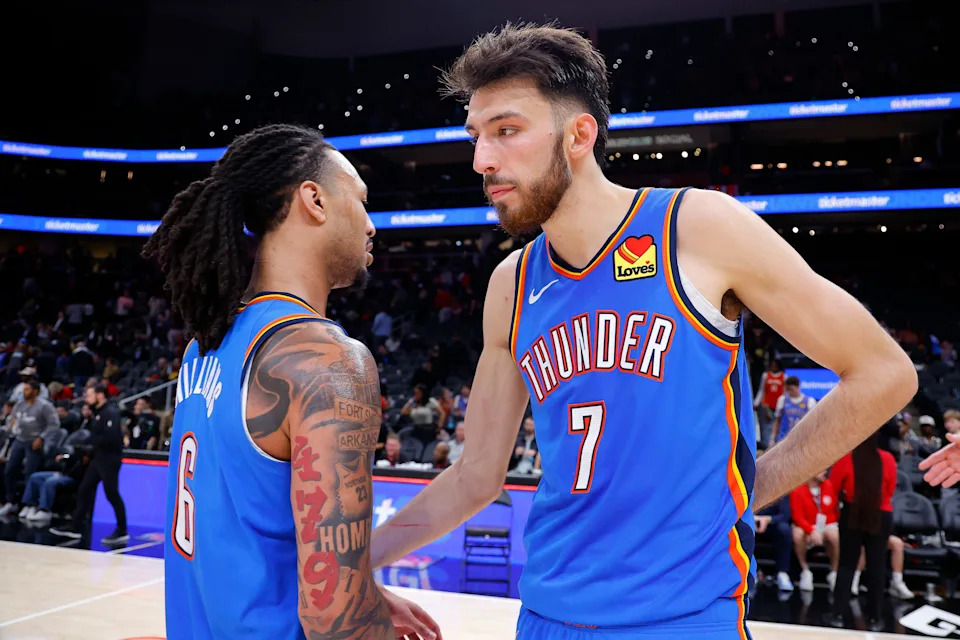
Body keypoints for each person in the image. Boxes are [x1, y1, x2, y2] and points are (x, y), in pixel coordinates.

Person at [368, 24, 917, 639]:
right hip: (546, 617)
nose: (481, 159)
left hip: (679, 618)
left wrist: (745, 488)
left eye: (507, 130)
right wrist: (356, 565)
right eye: (476, 136)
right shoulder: (512, 284)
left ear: (579, 135)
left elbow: (883, 373)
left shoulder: (697, 227)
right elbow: (475, 477)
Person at [140, 124, 439, 640]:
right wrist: (354, 605)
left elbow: (243, 538)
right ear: (314, 200)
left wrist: (358, 588)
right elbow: (335, 620)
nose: (371, 224)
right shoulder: (326, 361)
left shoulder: (204, 346)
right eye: (362, 201)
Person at [827, 431, 898, 631]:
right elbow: (891, 489)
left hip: (852, 513)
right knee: (877, 567)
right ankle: (875, 618)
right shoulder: (888, 459)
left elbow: (833, 486)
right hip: (881, 513)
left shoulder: (846, 458)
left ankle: (838, 615)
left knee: (847, 564)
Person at [50, 383, 128, 544]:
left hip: (109, 460)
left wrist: (89, 446)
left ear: (100, 395)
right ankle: (76, 526)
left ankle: (122, 530)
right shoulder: (97, 413)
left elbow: (112, 438)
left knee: (111, 494)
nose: (87, 398)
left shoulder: (110, 413)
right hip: (98, 459)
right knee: (84, 489)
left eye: (90, 395)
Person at [0, 379, 60, 516]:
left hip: (34, 442)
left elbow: (54, 424)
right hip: (19, 440)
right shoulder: (20, 404)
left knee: (30, 473)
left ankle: (30, 504)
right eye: (24, 389)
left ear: (35, 391)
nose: (24, 391)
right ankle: (11, 502)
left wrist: (41, 437)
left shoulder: (45, 406)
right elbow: (13, 419)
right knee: (9, 470)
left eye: (27, 389)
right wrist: (11, 425)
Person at [789, 472, 840, 591]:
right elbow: (797, 517)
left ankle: (834, 572)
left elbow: (833, 513)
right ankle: (805, 570)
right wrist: (811, 530)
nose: (826, 472)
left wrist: (821, 530)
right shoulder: (797, 488)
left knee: (835, 535)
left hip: (826, 525)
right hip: (807, 525)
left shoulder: (828, 485)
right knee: (797, 534)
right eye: (822, 469)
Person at [772, 376, 816, 443]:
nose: (789, 392)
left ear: (798, 387)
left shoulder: (809, 401)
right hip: (783, 439)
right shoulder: (782, 400)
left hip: (801, 440)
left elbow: (813, 423)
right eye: (787, 390)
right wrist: (772, 439)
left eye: (791, 389)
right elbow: (777, 421)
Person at [753, 359, 784, 449]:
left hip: (778, 406)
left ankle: (778, 446)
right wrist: (756, 402)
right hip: (767, 406)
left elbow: (784, 392)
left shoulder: (783, 376)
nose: (773, 367)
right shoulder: (766, 375)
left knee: (777, 426)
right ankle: (765, 448)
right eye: (772, 365)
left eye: (775, 365)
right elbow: (761, 390)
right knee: (765, 428)